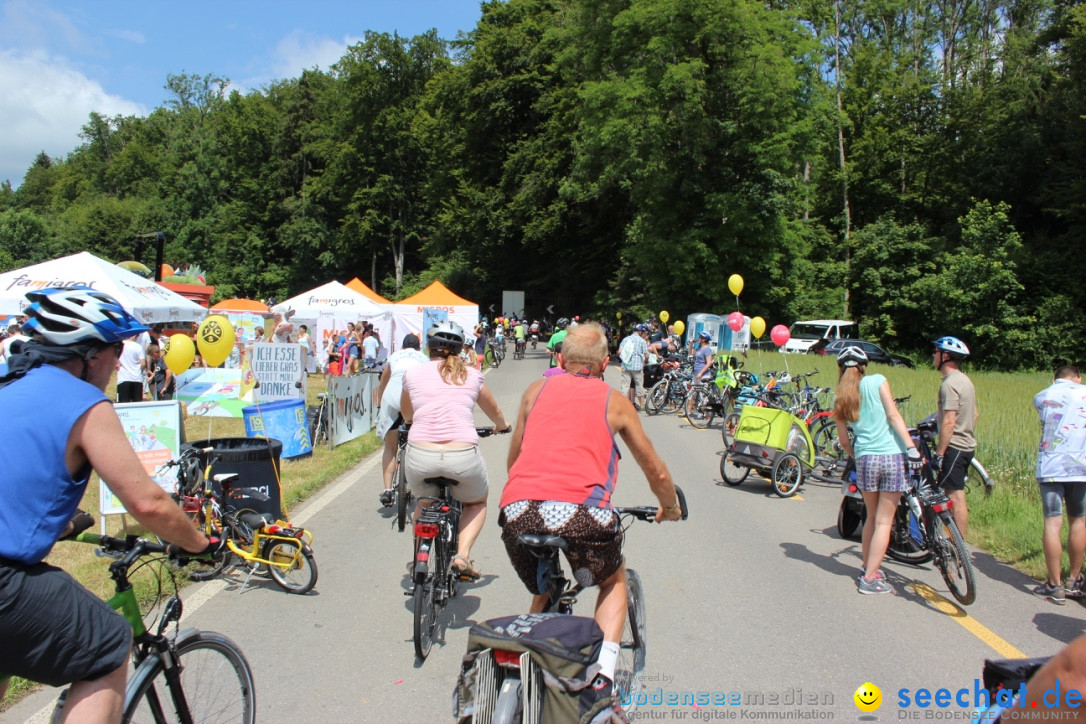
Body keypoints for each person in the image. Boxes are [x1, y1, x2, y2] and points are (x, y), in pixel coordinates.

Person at [0, 287, 213, 720]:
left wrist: (58, 522)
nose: (120, 362)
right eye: (116, 349)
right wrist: (197, 544)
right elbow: (148, 502)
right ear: (89, 355)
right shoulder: (86, 403)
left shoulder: (9, 387)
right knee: (109, 644)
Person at [500, 322, 681, 696]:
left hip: (519, 510)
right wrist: (671, 506)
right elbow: (657, 471)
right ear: (604, 364)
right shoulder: (615, 402)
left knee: (544, 582)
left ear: (561, 358)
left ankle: (527, 668)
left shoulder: (536, 390)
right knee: (612, 580)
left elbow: (514, 458)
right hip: (583, 514)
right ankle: (602, 681)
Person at [400, 321, 511, 579]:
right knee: (476, 502)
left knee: (424, 503)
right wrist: (501, 426)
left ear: (429, 348)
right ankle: (462, 555)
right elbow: (493, 410)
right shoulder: (471, 375)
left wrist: (410, 421)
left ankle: (419, 554)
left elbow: (407, 412)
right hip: (462, 456)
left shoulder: (414, 374)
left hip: (421, 454)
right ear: (461, 348)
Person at [834, 345, 923, 595]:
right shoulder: (878, 381)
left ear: (841, 368)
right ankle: (870, 579)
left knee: (871, 518)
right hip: (891, 456)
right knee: (886, 520)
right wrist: (910, 448)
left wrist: (857, 455)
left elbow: (843, 441)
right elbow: (893, 415)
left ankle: (867, 567)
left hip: (865, 459)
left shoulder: (840, 398)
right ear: (864, 366)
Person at [1031, 365, 1086, 604]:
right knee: (1079, 520)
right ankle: (1074, 580)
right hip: (1081, 467)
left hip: (1051, 468)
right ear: (1078, 378)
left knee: (1053, 523)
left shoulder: (1043, 395)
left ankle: (1054, 585)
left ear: (1054, 379)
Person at [375, 334, 430, 507]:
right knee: (419, 443)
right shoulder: (424, 358)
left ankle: (387, 490)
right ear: (418, 347)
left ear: (402, 346)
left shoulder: (395, 356)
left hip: (391, 394)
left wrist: (381, 400)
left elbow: (384, 380)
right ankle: (419, 483)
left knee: (390, 447)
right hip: (412, 396)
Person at [932, 336, 977, 539]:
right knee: (955, 492)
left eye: (936, 352)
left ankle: (957, 544)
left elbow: (949, 421)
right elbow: (974, 414)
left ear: (945, 356)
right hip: (965, 445)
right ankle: (957, 543)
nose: (933, 355)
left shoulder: (949, 385)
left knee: (954, 495)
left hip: (955, 446)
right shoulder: (964, 380)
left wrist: (940, 453)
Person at [618, 324, 650, 410]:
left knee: (625, 386)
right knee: (639, 385)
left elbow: (619, 352)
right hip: (637, 367)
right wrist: (646, 360)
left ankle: (625, 405)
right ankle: (642, 405)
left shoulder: (626, 339)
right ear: (639, 331)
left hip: (626, 365)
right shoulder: (642, 341)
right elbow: (646, 355)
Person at [114, 336, 146, 403]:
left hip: (124, 378)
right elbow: (143, 363)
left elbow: (115, 360)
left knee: (123, 405)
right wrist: (140, 370)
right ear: (133, 336)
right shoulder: (138, 346)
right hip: (137, 378)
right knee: (137, 404)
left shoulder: (120, 345)